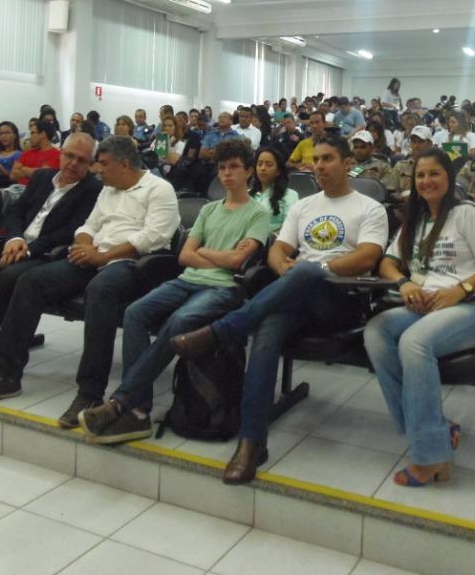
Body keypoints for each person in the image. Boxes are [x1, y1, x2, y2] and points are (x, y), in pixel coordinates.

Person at [171, 135, 388, 484]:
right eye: (316, 159)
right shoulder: (304, 206)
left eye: (328, 159)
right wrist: (285, 268)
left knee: (306, 271)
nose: (319, 166)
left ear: (348, 164)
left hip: (341, 298)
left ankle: (223, 330)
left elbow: (368, 257)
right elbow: (278, 249)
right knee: (268, 329)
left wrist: (313, 269)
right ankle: (251, 442)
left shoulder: (370, 207)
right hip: (298, 294)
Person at [0, 137, 180, 413]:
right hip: (93, 256)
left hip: (133, 264)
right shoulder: (108, 189)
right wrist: (84, 245)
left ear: (124, 164)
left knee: (99, 290)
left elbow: (153, 236)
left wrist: (103, 256)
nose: (98, 170)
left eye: (103, 164)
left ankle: (90, 392)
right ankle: (6, 375)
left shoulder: (159, 189)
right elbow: (88, 225)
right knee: (31, 281)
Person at [77, 140, 271, 443]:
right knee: (135, 312)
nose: (227, 174)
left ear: (248, 171)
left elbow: (237, 263)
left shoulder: (258, 214)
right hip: (188, 279)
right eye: (222, 168)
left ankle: (123, 403)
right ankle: (138, 410)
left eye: (234, 167)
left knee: (179, 321)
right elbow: (184, 257)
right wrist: (218, 255)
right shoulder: (209, 210)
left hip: (224, 287)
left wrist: (204, 252)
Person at [364, 148, 475, 487]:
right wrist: (405, 283)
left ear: (449, 178)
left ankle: (431, 456)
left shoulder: (467, 213)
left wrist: (460, 289)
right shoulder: (416, 220)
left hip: (467, 308)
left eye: (434, 174)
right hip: (424, 306)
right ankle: (435, 428)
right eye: (421, 175)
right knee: (376, 331)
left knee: (414, 342)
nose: (426, 181)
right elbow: (387, 263)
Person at [0, 134, 102, 379]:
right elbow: (16, 210)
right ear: (61, 153)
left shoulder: (93, 190)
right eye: (70, 156)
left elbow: (72, 230)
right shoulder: (42, 177)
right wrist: (15, 239)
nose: (73, 163)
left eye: (82, 160)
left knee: (10, 276)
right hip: (14, 244)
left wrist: (28, 249)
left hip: (46, 253)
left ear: (90, 164)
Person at [251, 146, 299, 232]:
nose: (263, 168)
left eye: (269, 165)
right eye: (259, 164)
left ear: (278, 171)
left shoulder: (290, 195)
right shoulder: (247, 195)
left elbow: (290, 228)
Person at [11, 121, 60, 185]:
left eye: (32, 133)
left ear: (43, 134)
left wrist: (22, 168)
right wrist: (34, 172)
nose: (30, 137)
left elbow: (42, 176)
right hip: (18, 188)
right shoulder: (27, 153)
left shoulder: (56, 154)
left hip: (38, 189)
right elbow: (12, 175)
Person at [393, 126, 434, 199]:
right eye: (414, 141)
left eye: (421, 142)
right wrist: (401, 198)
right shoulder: (400, 166)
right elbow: (392, 192)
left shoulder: (436, 167)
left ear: (430, 144)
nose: (416, 146)